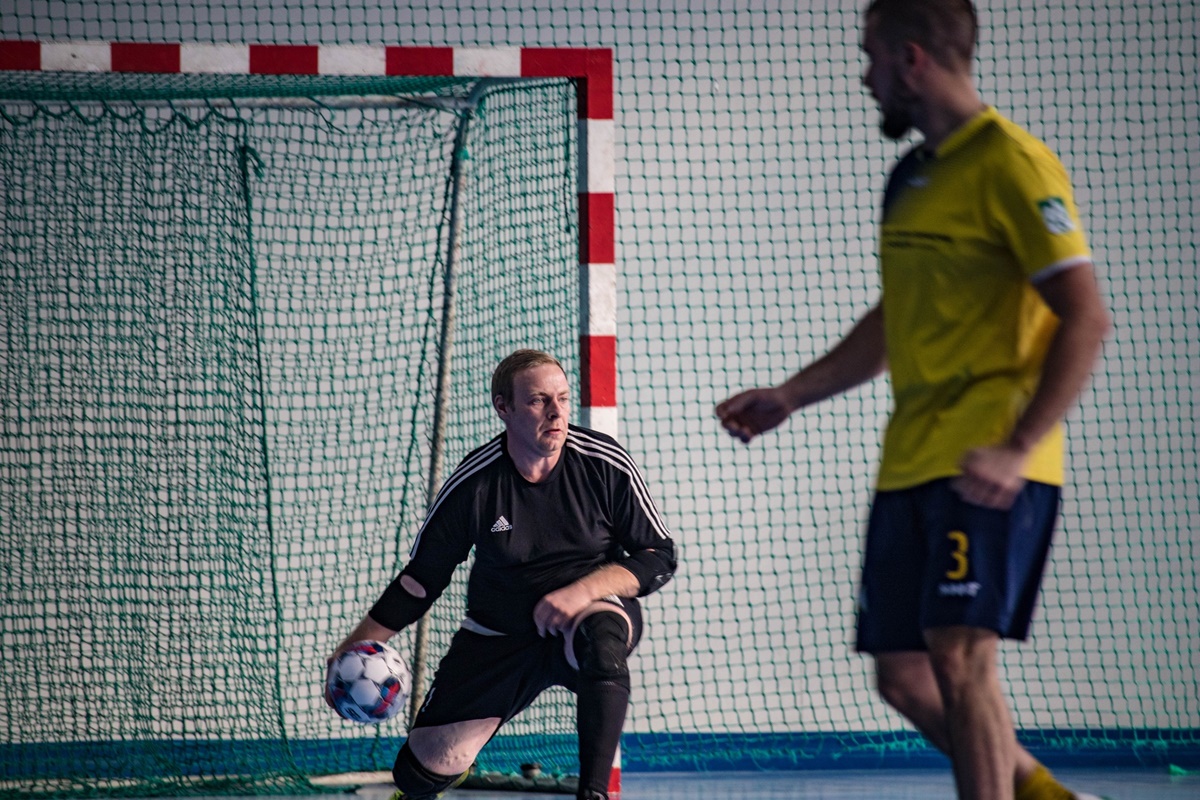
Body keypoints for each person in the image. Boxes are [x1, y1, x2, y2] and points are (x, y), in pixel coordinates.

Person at [716, 2, 1110, 799]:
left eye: (870, 57)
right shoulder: (911, 175)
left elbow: (1087, 314)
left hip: (989, 457)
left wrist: (1019, 443)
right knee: (902, 674)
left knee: (962, 657)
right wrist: (793, 393)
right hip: (910, 458)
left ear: (912, 58)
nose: (864, 77)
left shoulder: (1014, 165)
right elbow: (898, 315)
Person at [327, 349, 676, 800]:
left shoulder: (603, 463)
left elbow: (659, 556)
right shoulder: (476, 483)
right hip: (501, 633)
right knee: (419, 772)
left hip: (586, 615)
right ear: (503, 407)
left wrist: (582, 591)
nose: (556, 412)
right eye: (538, 401)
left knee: (602, 640)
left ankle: (594, 794)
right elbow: (421, 580)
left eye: (563, 398)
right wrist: (353, 645)